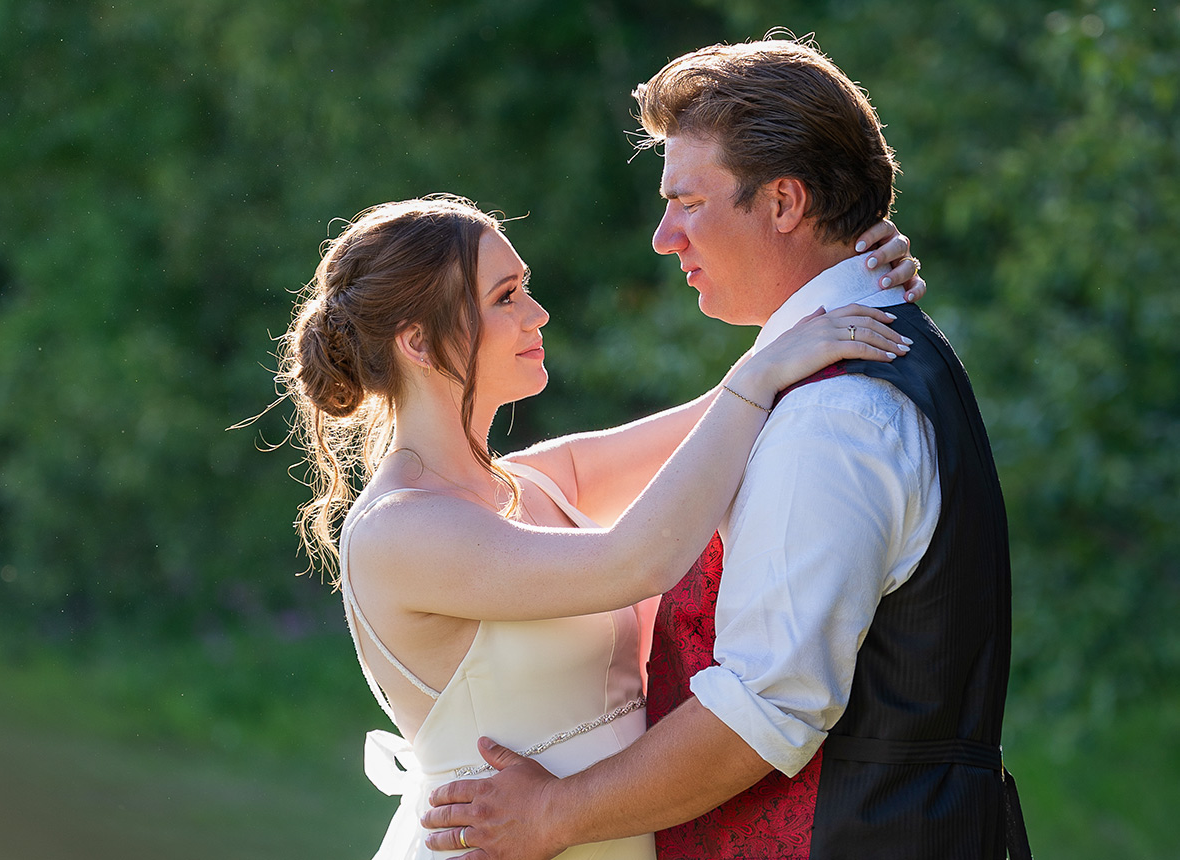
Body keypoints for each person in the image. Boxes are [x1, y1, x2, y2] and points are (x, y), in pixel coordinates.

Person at [422, 37, 1027, 860]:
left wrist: (554, 814)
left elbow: (762, 709)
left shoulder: (835, 414)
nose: (662, 237)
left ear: (783, 203)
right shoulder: (841, 365)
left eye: (687, 201)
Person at [280, 193, 923, 860]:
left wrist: (847, 279)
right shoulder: (400, 530)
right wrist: (766, 370)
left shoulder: (536, 482)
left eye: (524, 288)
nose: (537, 314)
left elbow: (724, 413)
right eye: (505, 297)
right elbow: (637, 561)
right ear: (417, 341)